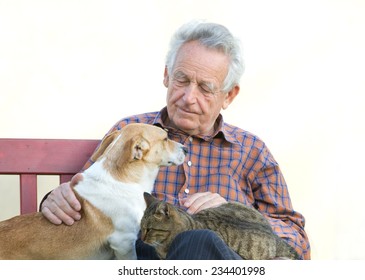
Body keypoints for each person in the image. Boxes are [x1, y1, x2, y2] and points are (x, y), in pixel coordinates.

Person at [40, 20, 311, 260]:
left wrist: (236, 213)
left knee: (198, 239)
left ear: (229, 95)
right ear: (167, 75)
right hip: (147, 258)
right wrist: (55, 199)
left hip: (220, 263)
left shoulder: (251, 151)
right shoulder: (131, 132)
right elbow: (86, 195)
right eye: (182, 79)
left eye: (205, 88)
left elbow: (296, 236)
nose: (188, 97)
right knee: (149, 245)